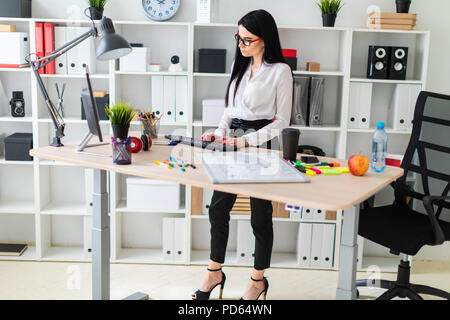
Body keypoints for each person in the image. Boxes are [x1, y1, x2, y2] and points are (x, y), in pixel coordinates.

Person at [192, 9, 293, 300]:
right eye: (238, 37)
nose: (241, 44)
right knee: (218, 208)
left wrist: (247, 142)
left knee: (260, 216)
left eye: (247, 39)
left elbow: (281, 121)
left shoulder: (280, 72)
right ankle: (214, 272)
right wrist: (216, 132)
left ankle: (257, 280)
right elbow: (230, 110)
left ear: (265, 40)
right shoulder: (240, 67)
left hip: (259, 143)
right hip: (232, 140)